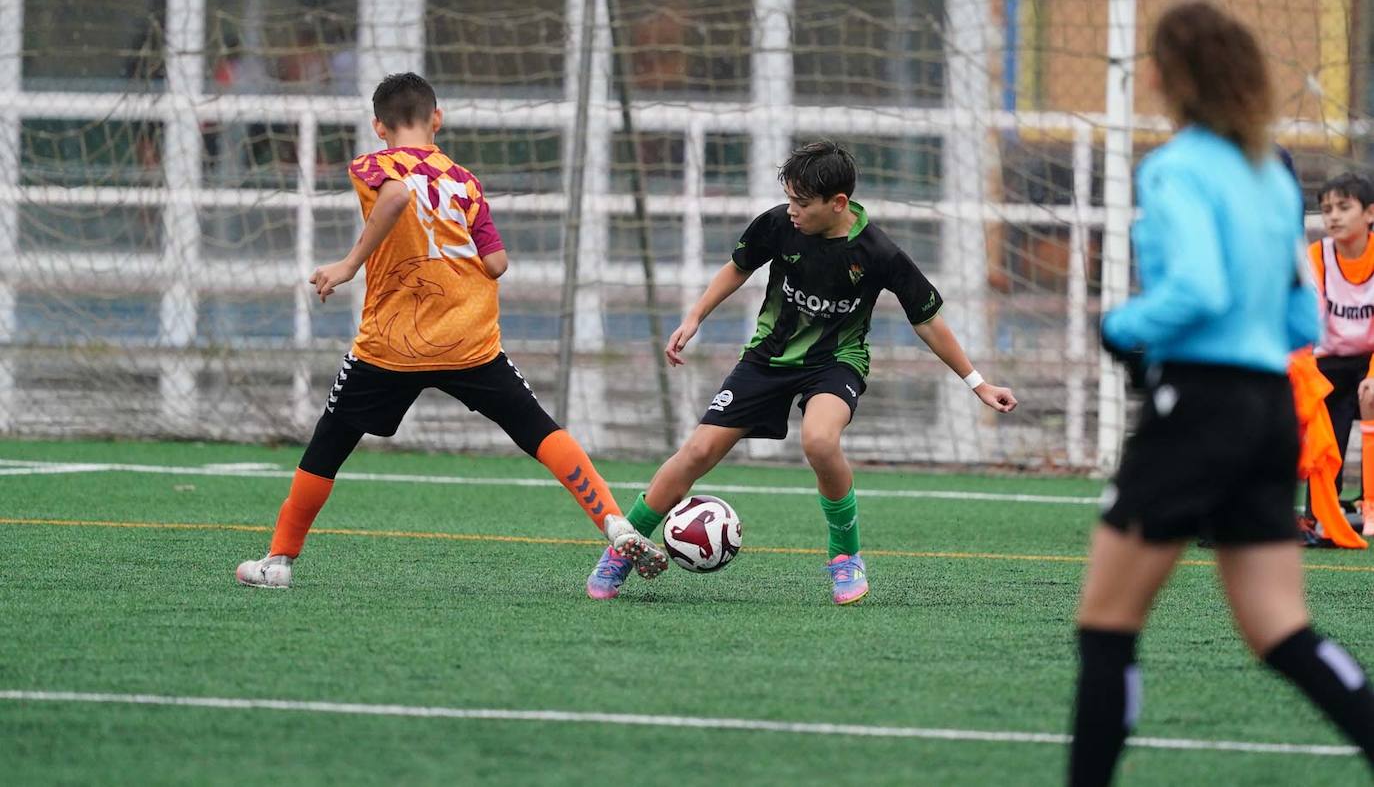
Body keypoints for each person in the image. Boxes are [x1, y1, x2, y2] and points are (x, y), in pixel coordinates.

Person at [1076, 0, 1374, 785]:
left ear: (1173, 76)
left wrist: (1121, 326)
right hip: (1271, 409)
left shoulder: (1175, 167)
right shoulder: (1269, 177)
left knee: (1106, 626)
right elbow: (1299, 314)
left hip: (1199, 410)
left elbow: (1197, 290)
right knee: (1281, 630)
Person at [235, 72, 667, 596]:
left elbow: (394, 198)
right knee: (538, 429)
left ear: (379, 126)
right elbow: (497, 263)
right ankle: (613, 522)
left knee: (330, 443)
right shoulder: (464, 179)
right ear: (437, 118)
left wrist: (350, 264)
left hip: (393, 342)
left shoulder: (373, 165)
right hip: (469, 337)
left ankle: (278, 560)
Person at [583, 139, 1018, 604]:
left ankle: (844, 557)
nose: (792, 210)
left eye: (802, 203)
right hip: (766, 359)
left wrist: (978, 383)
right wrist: (694, 318)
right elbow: (737, 268)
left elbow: (928, 322)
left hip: (836, 363)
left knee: (820, 440)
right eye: (789, 198)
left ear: (839, 204)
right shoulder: (777, 224)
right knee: (697, 451)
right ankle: (622, 550)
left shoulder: (879, 252)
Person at [1308, 172, 1374, 535]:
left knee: (1372, 393)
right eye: (1326, 209)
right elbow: (1308, 322)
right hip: (1328, 362)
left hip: (1370, 361)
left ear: (1369, 213)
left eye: (1344, 207)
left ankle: (1371, 503)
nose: (1333, 216)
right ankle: (1322, 508)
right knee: (1320, 404)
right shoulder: (1316, 256)